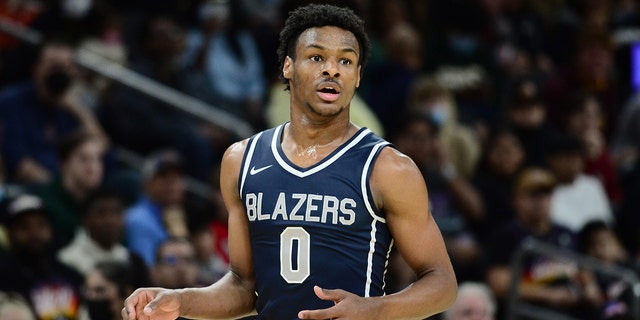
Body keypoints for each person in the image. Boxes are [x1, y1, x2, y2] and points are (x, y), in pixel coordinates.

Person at [122, 4, 457, 320]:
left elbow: (442, 283)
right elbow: (244, 286)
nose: (331, 69)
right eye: (316, 57)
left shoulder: (388, 167)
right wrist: (181, 299)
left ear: (357, 76)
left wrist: (375, 310)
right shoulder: (242, 160)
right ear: (288, 67)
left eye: (345, 61)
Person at [0, 194, 84, 320]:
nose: (34, 234)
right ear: (10, 234)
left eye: (41, 225)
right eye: (24, 227)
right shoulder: (3, 276)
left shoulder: (69, 275)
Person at [39, 130, 106, 249]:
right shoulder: (46, 205)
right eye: (84, 159)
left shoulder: (105, 201)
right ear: (63, 164)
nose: (93, 167)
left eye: (98, 159)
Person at [124, 149, 189, 267]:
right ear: (147, 182)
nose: (172, 182)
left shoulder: (174, 216)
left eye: (177, 177)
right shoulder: (138, 219)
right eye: (164, 177)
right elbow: (146, 272)